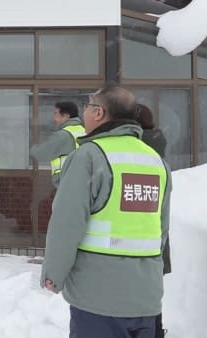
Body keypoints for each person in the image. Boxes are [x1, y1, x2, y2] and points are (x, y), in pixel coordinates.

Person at [41, 85, 173, 338]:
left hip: (98, 298)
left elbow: (67, 223)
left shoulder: (89, 157)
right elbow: (161, 229)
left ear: (99, 113)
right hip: (146, 297)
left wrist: (53, 274)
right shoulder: (156, 161)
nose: (85, 112)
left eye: (88, 107)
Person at [135, 103, 170, 338]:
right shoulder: (158, 139)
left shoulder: (140, 146)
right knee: (150, 290)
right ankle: (156, 329)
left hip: (137, 230)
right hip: (154, 228)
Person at [30, 101, 85, 188]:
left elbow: (42, 153)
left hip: (67, 181)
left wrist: (30, 149)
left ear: (66, 116)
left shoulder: (63, 135)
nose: (53, 118)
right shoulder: (84, 131)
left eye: (56, 114)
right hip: (83, 180)